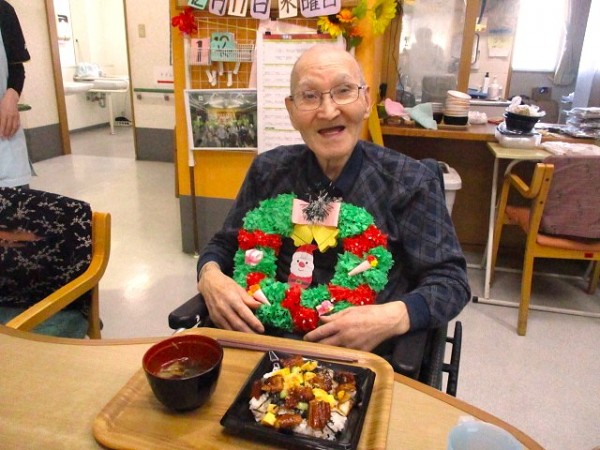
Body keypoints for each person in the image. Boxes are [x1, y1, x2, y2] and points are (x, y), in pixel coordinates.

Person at [196, 44, 470, 353]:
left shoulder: (410, 182)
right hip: (262, 341)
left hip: (361, 356)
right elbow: (225, 244)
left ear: (366, 101)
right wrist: (209, 276)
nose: (328, 111)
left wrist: (393, 317)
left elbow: (451, 281)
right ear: (291, 111)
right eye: (309, 96)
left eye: (343, 91)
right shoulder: (268, 171)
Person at [0, 0, 31, 188]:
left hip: (4, 133)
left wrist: (11, 97)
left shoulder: (3, 10)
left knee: (15, 201)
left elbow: (16, 67)